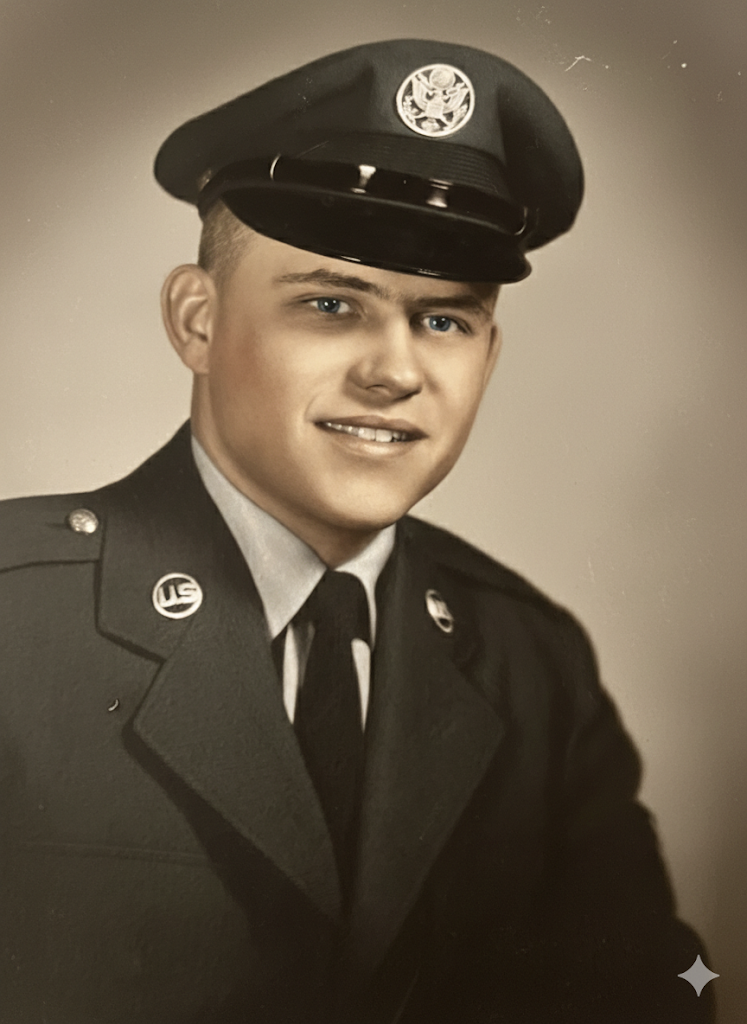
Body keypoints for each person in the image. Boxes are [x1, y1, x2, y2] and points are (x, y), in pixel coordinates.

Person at [0, 38, 715, 1024]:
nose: (395, 372)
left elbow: (654, 995)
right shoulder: (16, 621)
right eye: (332, 304)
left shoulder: (534, 662)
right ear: (197, 321)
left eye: (444, 321)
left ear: (488, 356)